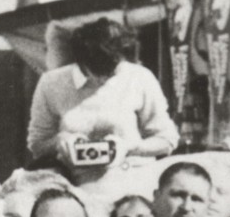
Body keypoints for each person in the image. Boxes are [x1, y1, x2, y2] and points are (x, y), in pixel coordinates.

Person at [26, 17, 178, 183]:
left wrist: (130, 146)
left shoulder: (140, 77)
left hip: (132, 180)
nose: (106, 78)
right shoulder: (51, 83)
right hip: (74, 183)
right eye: (98, 73)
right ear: (82, 62)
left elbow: (167, 140)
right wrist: (59, 141)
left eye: (113, 71)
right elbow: (37, 144)